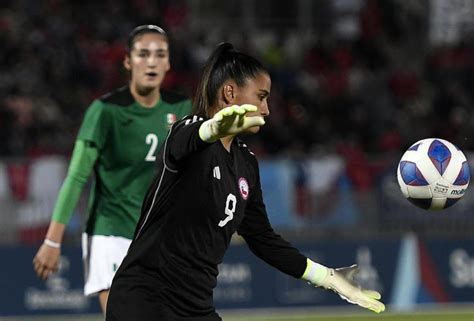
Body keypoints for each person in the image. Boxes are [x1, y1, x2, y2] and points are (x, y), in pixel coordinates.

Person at [106, 42, 385, 321]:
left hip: (195, 308)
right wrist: (213, 128)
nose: (266, 109)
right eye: (261, 97)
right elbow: (182, 143)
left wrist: (329, 278)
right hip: (144, 301)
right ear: (230, 92)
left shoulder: (246, 163)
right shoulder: (190, 132)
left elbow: (262, 238)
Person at [32, 24, 192, 313]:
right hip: (110, 231)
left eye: (160, 54)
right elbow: (77, 176)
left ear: (168, 62)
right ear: (128, 62)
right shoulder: (105, 111)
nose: (152, 61)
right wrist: (52, 240)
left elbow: (192, 174)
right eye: (143, 54)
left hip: (158, 234)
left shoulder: (181, 108)